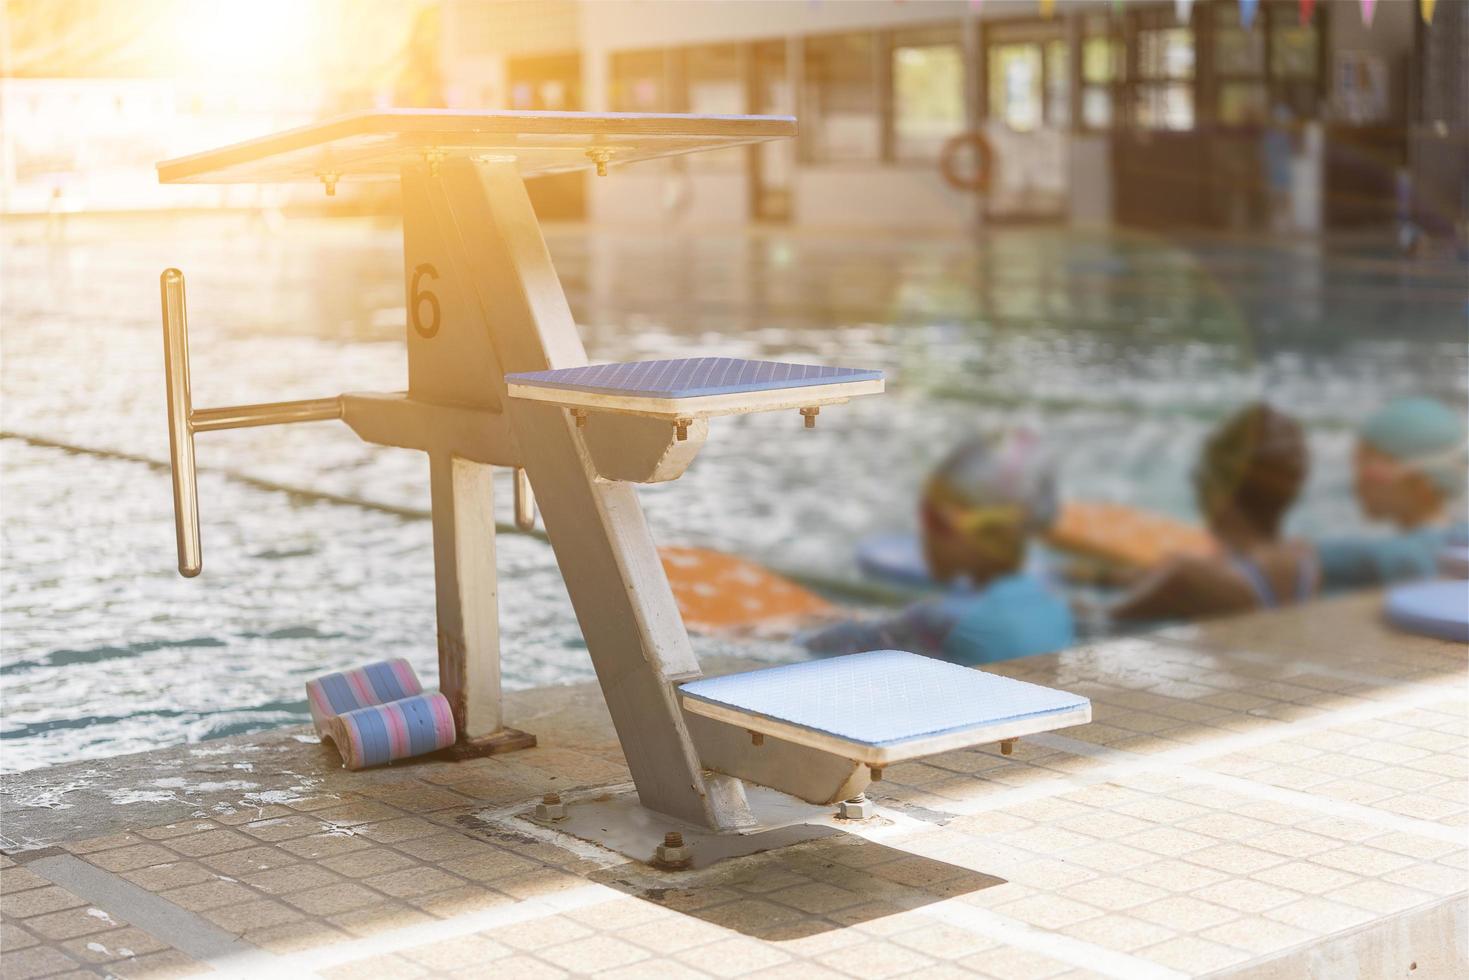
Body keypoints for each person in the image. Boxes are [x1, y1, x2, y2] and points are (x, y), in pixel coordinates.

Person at [802, 432, 1075, 665]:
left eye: (933, 520)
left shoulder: (942, 620)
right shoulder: (1050, 593)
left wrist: (787, 635)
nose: (923, 535)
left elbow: (831, 645)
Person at [1112, 403, 1315, 621]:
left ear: (1220, 488)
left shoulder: (1183, 575)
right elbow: (1221, 566)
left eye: (1200, 476)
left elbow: (1102, 620)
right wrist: (1109, 576)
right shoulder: (1305, 560)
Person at [1316, 397, 1468, 590]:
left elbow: (1406, 558)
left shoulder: (1403, 560)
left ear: (1421, 484)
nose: (1356, 482)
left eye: (1366, 465)